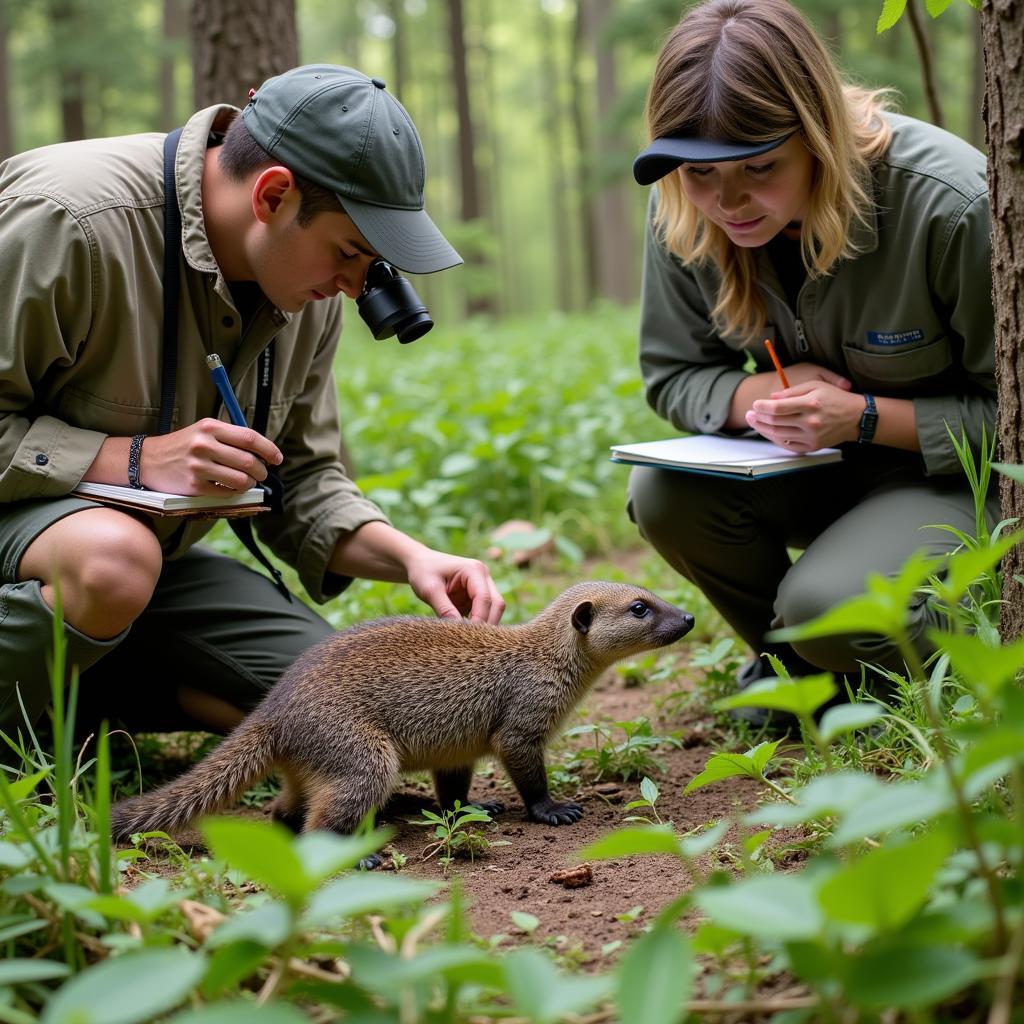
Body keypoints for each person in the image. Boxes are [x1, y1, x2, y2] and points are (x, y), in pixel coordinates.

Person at [0, 65, 504, 737]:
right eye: (351, 253)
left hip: (139, 572)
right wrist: (132, 461)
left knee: (348, 705)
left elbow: (299, 478)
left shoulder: (306, 286)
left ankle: (74, 698)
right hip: (88, 551)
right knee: (113, 559)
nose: (357, 286)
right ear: (273, 196)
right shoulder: (70, 222)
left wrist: (410, 557)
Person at [626, 0, 997, 714]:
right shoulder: (685, 202)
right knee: (664, 493)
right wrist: (756, 394)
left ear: (818, 137)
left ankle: (846, 654)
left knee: (828, 606)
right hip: (818, 474)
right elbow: (674, 373)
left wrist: (863, 418)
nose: (727, 202)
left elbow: (1011, 424)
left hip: (960, 483)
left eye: (760, 167)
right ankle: (803, 672)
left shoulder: (949, 205)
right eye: (701, 178)